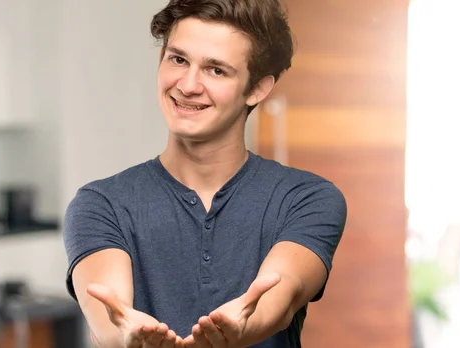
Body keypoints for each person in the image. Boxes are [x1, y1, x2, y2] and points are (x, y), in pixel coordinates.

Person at [63, 0, 347, 347]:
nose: (188, 85)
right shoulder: (101, 204)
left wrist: (245, 327)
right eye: (178, 59)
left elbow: (282, 295)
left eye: (216, 70)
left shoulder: (306, 198)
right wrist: (124, 336)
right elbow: (108, 313)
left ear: (257, 88)